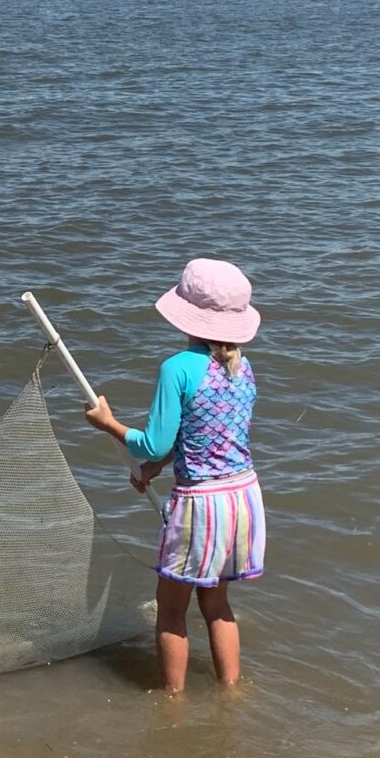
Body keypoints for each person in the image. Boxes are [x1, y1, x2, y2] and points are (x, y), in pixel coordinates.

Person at [84, 258, 265, 693]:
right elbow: (210, 434)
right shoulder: (243, 367)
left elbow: (155, 442)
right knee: (217, 603)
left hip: (201, 504)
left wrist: (108, 423)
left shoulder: (178, 368)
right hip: (242, 495)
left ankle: (172, 702)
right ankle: (231, 691)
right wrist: (156, 469)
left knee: (170, 609)